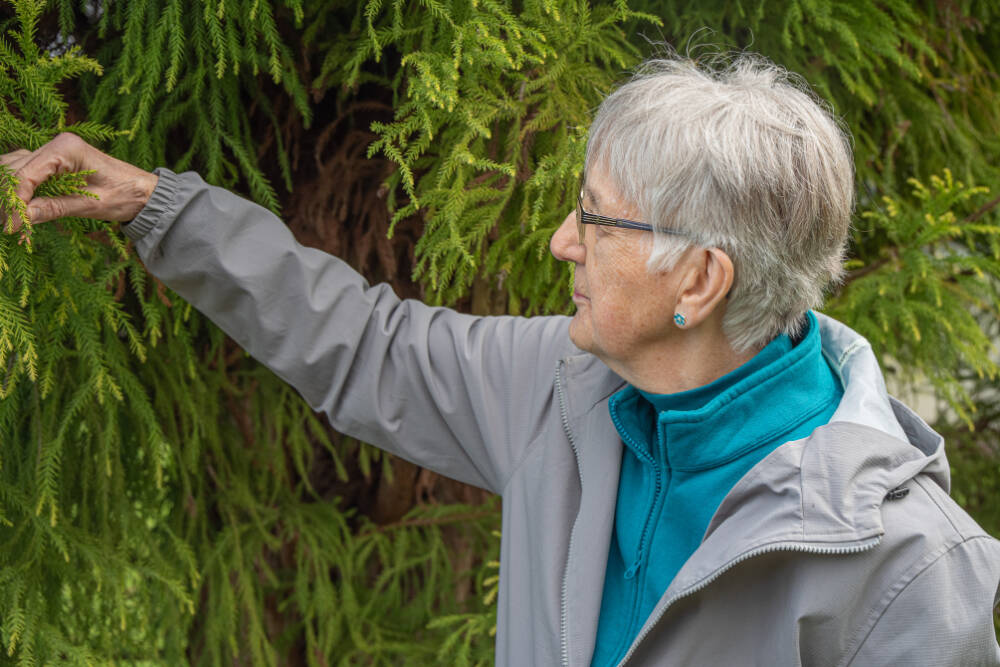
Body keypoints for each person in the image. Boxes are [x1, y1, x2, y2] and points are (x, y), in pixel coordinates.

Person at [4, 53, 1000, 666]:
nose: (563, 241)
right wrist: (157, 208)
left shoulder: (912, 569)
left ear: (698, 280)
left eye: (596, 219)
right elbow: (366, 343)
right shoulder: (561, 391)